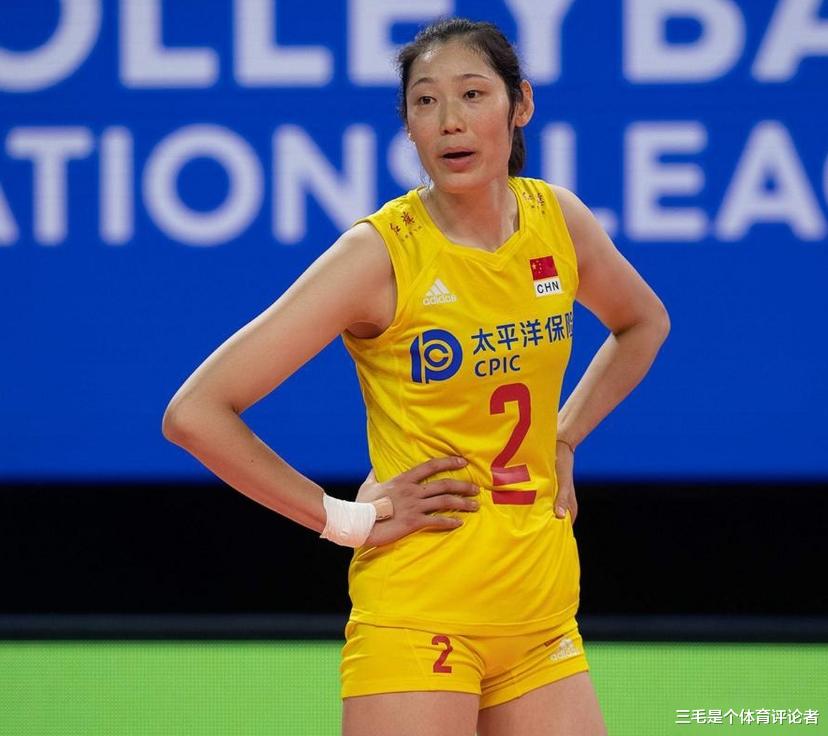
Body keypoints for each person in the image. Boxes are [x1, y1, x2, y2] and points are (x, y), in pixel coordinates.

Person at [162, 17, 669, 736]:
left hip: (542, 616)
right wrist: (346, 519)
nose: (450, 120)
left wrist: (564, 435)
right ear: (407, 125)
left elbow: (643, 323)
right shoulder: (378, 255)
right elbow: (196, 412)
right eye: (426, 101)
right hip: (419, 618)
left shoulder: (557, 220)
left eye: (472, 94)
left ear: (520, 103)